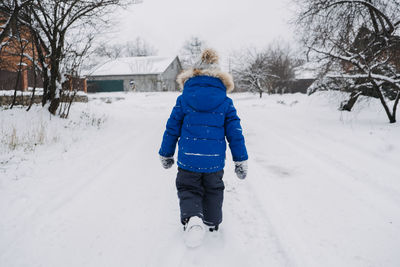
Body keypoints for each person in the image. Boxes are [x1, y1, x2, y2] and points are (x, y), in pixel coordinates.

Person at [159, 48, 248, 246]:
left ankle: (192, 217)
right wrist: (240, 159)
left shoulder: (184, 99)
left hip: (188, 158)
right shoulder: (225, 102)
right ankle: (213, 223)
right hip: (214, 162)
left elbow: (172, 128)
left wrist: (166, 153)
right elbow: (235, 133)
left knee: (188, 188)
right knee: (214, 189)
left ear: (194, 73)